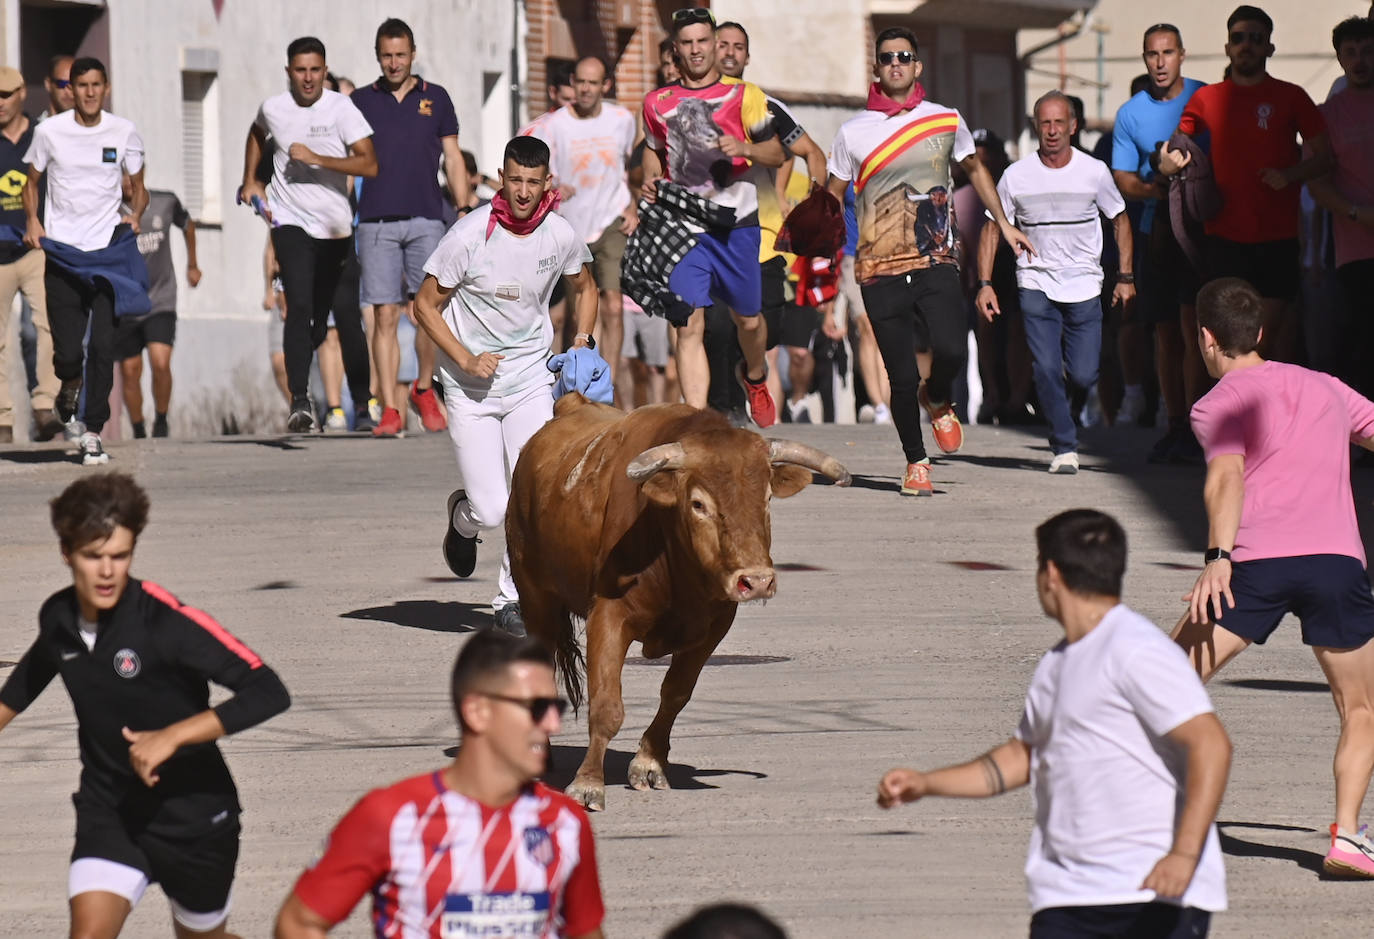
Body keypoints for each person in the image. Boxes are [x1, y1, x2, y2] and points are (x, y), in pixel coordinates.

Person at [879, 508, 1231, 936]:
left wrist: (1184, 854)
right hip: (1067, 895)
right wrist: (925, 783)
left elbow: (1210, 745)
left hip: (1149, 896)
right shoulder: (1057, 663)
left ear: (1050, 574)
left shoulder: (1137, 650)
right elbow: (1022, 757)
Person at [0, 472, 291, 938]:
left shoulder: (166, 623)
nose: (108, 571)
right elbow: (28, 679)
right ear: (66, 553)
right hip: (111, 809)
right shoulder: (58, 617)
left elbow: (269, 690)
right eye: (93, 557)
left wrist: (173, 736)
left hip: (194, 818)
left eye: (120, 555)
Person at [1174, 277, 1374, 878]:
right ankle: (1347, 839)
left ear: (1205, 338)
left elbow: (1226, 477)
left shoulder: (1215, 403)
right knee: (1361, 709)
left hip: (1253, 566)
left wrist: (1217, 556)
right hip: (1337, 564)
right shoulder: (1328, 388)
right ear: (1260, 333)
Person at [273, 630, 605, 939]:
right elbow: (299, 923)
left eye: (555, 708)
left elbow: (585, 931)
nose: (553, 726)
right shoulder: (390, 816)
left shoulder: (565, 821)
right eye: (536, 708)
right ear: (477, 712)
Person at [827, 26, 1032, 495]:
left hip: (936, 258)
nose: (895, 63)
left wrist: (1003, 223)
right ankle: (916, 462)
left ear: (917, 66)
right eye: (886, 57)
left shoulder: (943, 119)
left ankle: (938, 397)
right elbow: (833, 195)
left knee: (953, 349)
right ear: (876, 68)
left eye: (904, 56)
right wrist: (821, 241)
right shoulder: (852, 132)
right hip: (877, 268)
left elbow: (975, 169)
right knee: (899, 375)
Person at [414, 135, 596, 637]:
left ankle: (510, 600)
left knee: (533, 497)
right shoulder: (471, 235)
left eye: (532, 183)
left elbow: (586, 286)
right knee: (493, 508)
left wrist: (582, 338)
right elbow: (424, 306)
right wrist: (465, 359)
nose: (521, 191)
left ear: (546, 185)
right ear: (502, 177)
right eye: (514, 180)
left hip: (530, 381)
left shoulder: (559, 235)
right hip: (469, 388)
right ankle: (463, 519)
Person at [1159, 5, 1330, 363]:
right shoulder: (1207, 98)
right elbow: (1175, 146)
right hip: (1223, 238)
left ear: (1269, 48)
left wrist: (1290, 175)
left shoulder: (1292, 96)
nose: (1246, 45)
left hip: (1278, 238)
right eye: (1239, 38)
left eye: (1256, 39)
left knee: (1264, 344)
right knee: (1230, 345)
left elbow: (1326, 158)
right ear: (1228, 48)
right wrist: (1165, 162)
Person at [641, 7, 785, 427]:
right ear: (675, 50)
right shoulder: (657, 103)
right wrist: (652, 181)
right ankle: (697, 423)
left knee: (749, 320)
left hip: (736, 226)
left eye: (703, 41)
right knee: (689, 327)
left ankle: (755, 376)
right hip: (683, 229)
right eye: (686, 44)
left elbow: (776, 152)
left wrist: (746, 150)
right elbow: (653, 152)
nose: (696, 50)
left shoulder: (746, 96)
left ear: (714, 44)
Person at [977, 91, 1133, 474]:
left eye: (1058, 122)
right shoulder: (1017, 175)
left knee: (1084, 373)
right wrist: (984, 283)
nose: (1051, 131)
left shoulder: (1093, 171)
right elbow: (992, 228)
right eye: (1044, 123)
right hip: (1035, 281)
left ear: (1073, 126)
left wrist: (1125, 277)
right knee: (1045, 367)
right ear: (1035, 126)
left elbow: (1121, 220)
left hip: (1084, 283)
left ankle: (1069, 410)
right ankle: (1064, 444)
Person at [240, 36, 377, 433]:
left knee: (347, 320)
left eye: (315, 70)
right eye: (300, 70)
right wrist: (250, 180)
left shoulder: (341, 109)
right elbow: (255, 132)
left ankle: (363, 404)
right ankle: (300, 401)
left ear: (325, 70)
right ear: (289, 72)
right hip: (290, 222)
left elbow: (369, 165)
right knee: (298, 306)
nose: (308, 78)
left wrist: (319, 158)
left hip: (335, 229)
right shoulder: (274, 108)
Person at [21, 56, 147, 466]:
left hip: (107, 251)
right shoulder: (50, 132)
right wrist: (33, 222)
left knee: (104, 345)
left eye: (96, 85)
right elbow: (31, 183)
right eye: (82, 86)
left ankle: (92, 431)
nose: (90, 93)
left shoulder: (123, 131)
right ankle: (69, 382)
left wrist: (136, 215)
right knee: (68, 352)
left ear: (105, 87)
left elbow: (138, 188)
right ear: (70, 91)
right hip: (62, 251)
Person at [351, 17, 468, 437]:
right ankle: (389, 408)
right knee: (383, 315)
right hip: (376, 220)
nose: (394, 63)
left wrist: (464, 206)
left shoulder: (435, 98)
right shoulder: (361, 101)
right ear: (377, 56)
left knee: (427, 311)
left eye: (401, 54)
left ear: (413, 54)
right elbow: (349, 161)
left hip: (426, 217)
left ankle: (422, 387)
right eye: (386, 55)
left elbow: (453, 157)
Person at [716, 20, 831, 423]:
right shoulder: (690, 105)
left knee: (771, 326)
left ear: (747, 57)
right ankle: (727, 408)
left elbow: (813, 153)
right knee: (718, 328)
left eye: (738, 46)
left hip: (762, 238)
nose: (729, 51)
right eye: (723, 44)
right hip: (711, 237)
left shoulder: (763, 107)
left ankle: (751, 376)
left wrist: (816, 207)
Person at [1112, 23, 1208, 463]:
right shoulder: (1131, 113)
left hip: (1204, 231)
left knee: (1198, 332)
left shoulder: (1206, 99)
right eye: (1152, 54)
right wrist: (1162, 188)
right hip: (1156, 233)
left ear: (1182, 55)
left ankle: (1201, 422)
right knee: (1166, 333)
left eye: (1168, 53)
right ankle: (1175, 423)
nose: (1160, 62)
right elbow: (1124, 178)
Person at [531, 55, 637, 399]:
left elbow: (632, 168)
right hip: (572, 226)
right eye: (581, 83)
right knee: (579, 311)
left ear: (605, 86)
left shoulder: (622, 119)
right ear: (572, 84)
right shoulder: (552, 125)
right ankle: (576, 385)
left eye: (594, 83)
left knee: (612, 303)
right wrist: (554, 183)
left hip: (611, 220)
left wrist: (634, 202)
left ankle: (610, 381)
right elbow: (534, 168)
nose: (587, 89)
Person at [1307, 16, 1374, 397]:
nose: (1360, 60)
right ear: (1339, 58)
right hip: (1354, 251)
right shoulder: (1326, 115)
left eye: (1367, 51)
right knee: (1362, 342)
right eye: (1350, 52)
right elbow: (1317, 182)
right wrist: (1354, 213)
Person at [0, 65, 62, 444]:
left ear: (23, 92)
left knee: (47, 327)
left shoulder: (43, 137)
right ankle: (3, 419)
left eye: (5, 94)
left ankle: (44, 405)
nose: (0, 103)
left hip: (34, 248)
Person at [118, 188, 199, 438]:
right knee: (130, 371)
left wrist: (193, 264)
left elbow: (188, 225)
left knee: (160, 362)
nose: (127, 181)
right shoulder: (109, 208)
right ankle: (138, 428)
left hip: (161, 299)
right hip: (126, 304)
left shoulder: (165, 202)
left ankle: (162, 421)